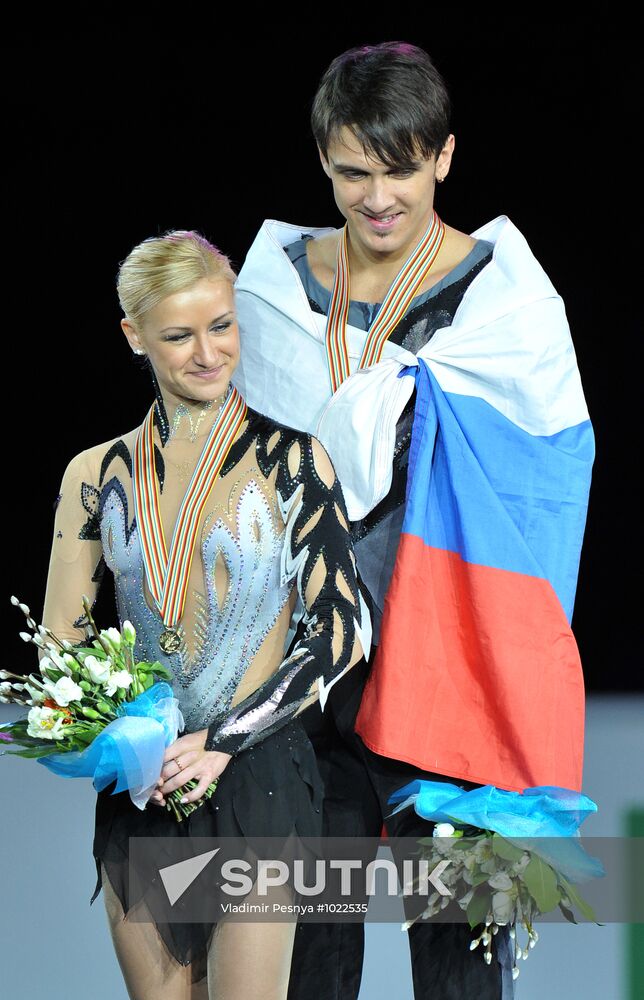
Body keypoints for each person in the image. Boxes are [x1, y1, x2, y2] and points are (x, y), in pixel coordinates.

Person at [232, 42, 594, 1000]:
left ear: (444, 157)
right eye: (354, 172)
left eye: (400, 169)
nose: (378, 197)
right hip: (308, 690)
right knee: (310, 972)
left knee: (461, 978)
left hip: (461, 681)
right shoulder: (270, 299)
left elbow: (550, 488)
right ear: (322, 162)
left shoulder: (506, 309)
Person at [40, 230, 369, 1000]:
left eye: (221, 326)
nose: (207, 353)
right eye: (179, 335)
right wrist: (127, 739)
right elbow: (61, 640)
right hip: (145, 788)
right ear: (134, 337)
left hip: (258, 777)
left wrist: (221, 741)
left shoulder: (294, 459)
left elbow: (342, 631)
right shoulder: (94, 474)